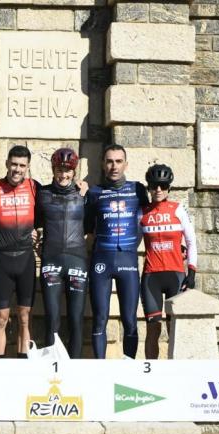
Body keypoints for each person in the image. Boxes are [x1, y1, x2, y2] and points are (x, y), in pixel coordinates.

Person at [84, 144, 148, 359]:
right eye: (110, 161)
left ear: (126, 164)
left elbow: (150, 219)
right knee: (100, 317)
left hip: (128, 259)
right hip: (101, 261)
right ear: (103, 164)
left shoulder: (139, 190)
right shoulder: (94, 193)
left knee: (130, 319)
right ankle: (100, 368)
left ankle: (129, 367)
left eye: (118, 161)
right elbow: (85, 227)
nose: (114, 166)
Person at [0, 145, 40, 358]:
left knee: (25, 317)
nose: (17, 169)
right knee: (0, 318)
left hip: (25, 259)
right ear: (6, 163)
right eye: (13, 164)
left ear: (28, 167)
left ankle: (23, 364)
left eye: (22, 165)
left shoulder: (35, 187)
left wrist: (81, 189)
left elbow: (52, 212)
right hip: (3, 260)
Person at [35, 148, 88, 359]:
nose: (63, 175)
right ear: (53, 169)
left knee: (76, 319)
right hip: (51, 260)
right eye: (59, 169)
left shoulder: (84, 194)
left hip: (77, 260)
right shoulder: (43, 194)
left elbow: (93, 225)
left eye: (67, 170)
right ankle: (51, 369)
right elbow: (34, 222)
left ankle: (73, 368)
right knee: (52, 319)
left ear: (74, 172)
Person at [140, 164, 197, 359]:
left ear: (168, 188)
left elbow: (191, 241)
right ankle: (151, 374)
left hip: (176, 275)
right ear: (149, 187)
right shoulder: (143, 212)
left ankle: (176, 373)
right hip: (151, 277)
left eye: (163, 186)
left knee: (175, 329)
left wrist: (192, 272)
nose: (158, 190)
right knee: (153, 329)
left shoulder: (178, 209)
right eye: (154, 185)